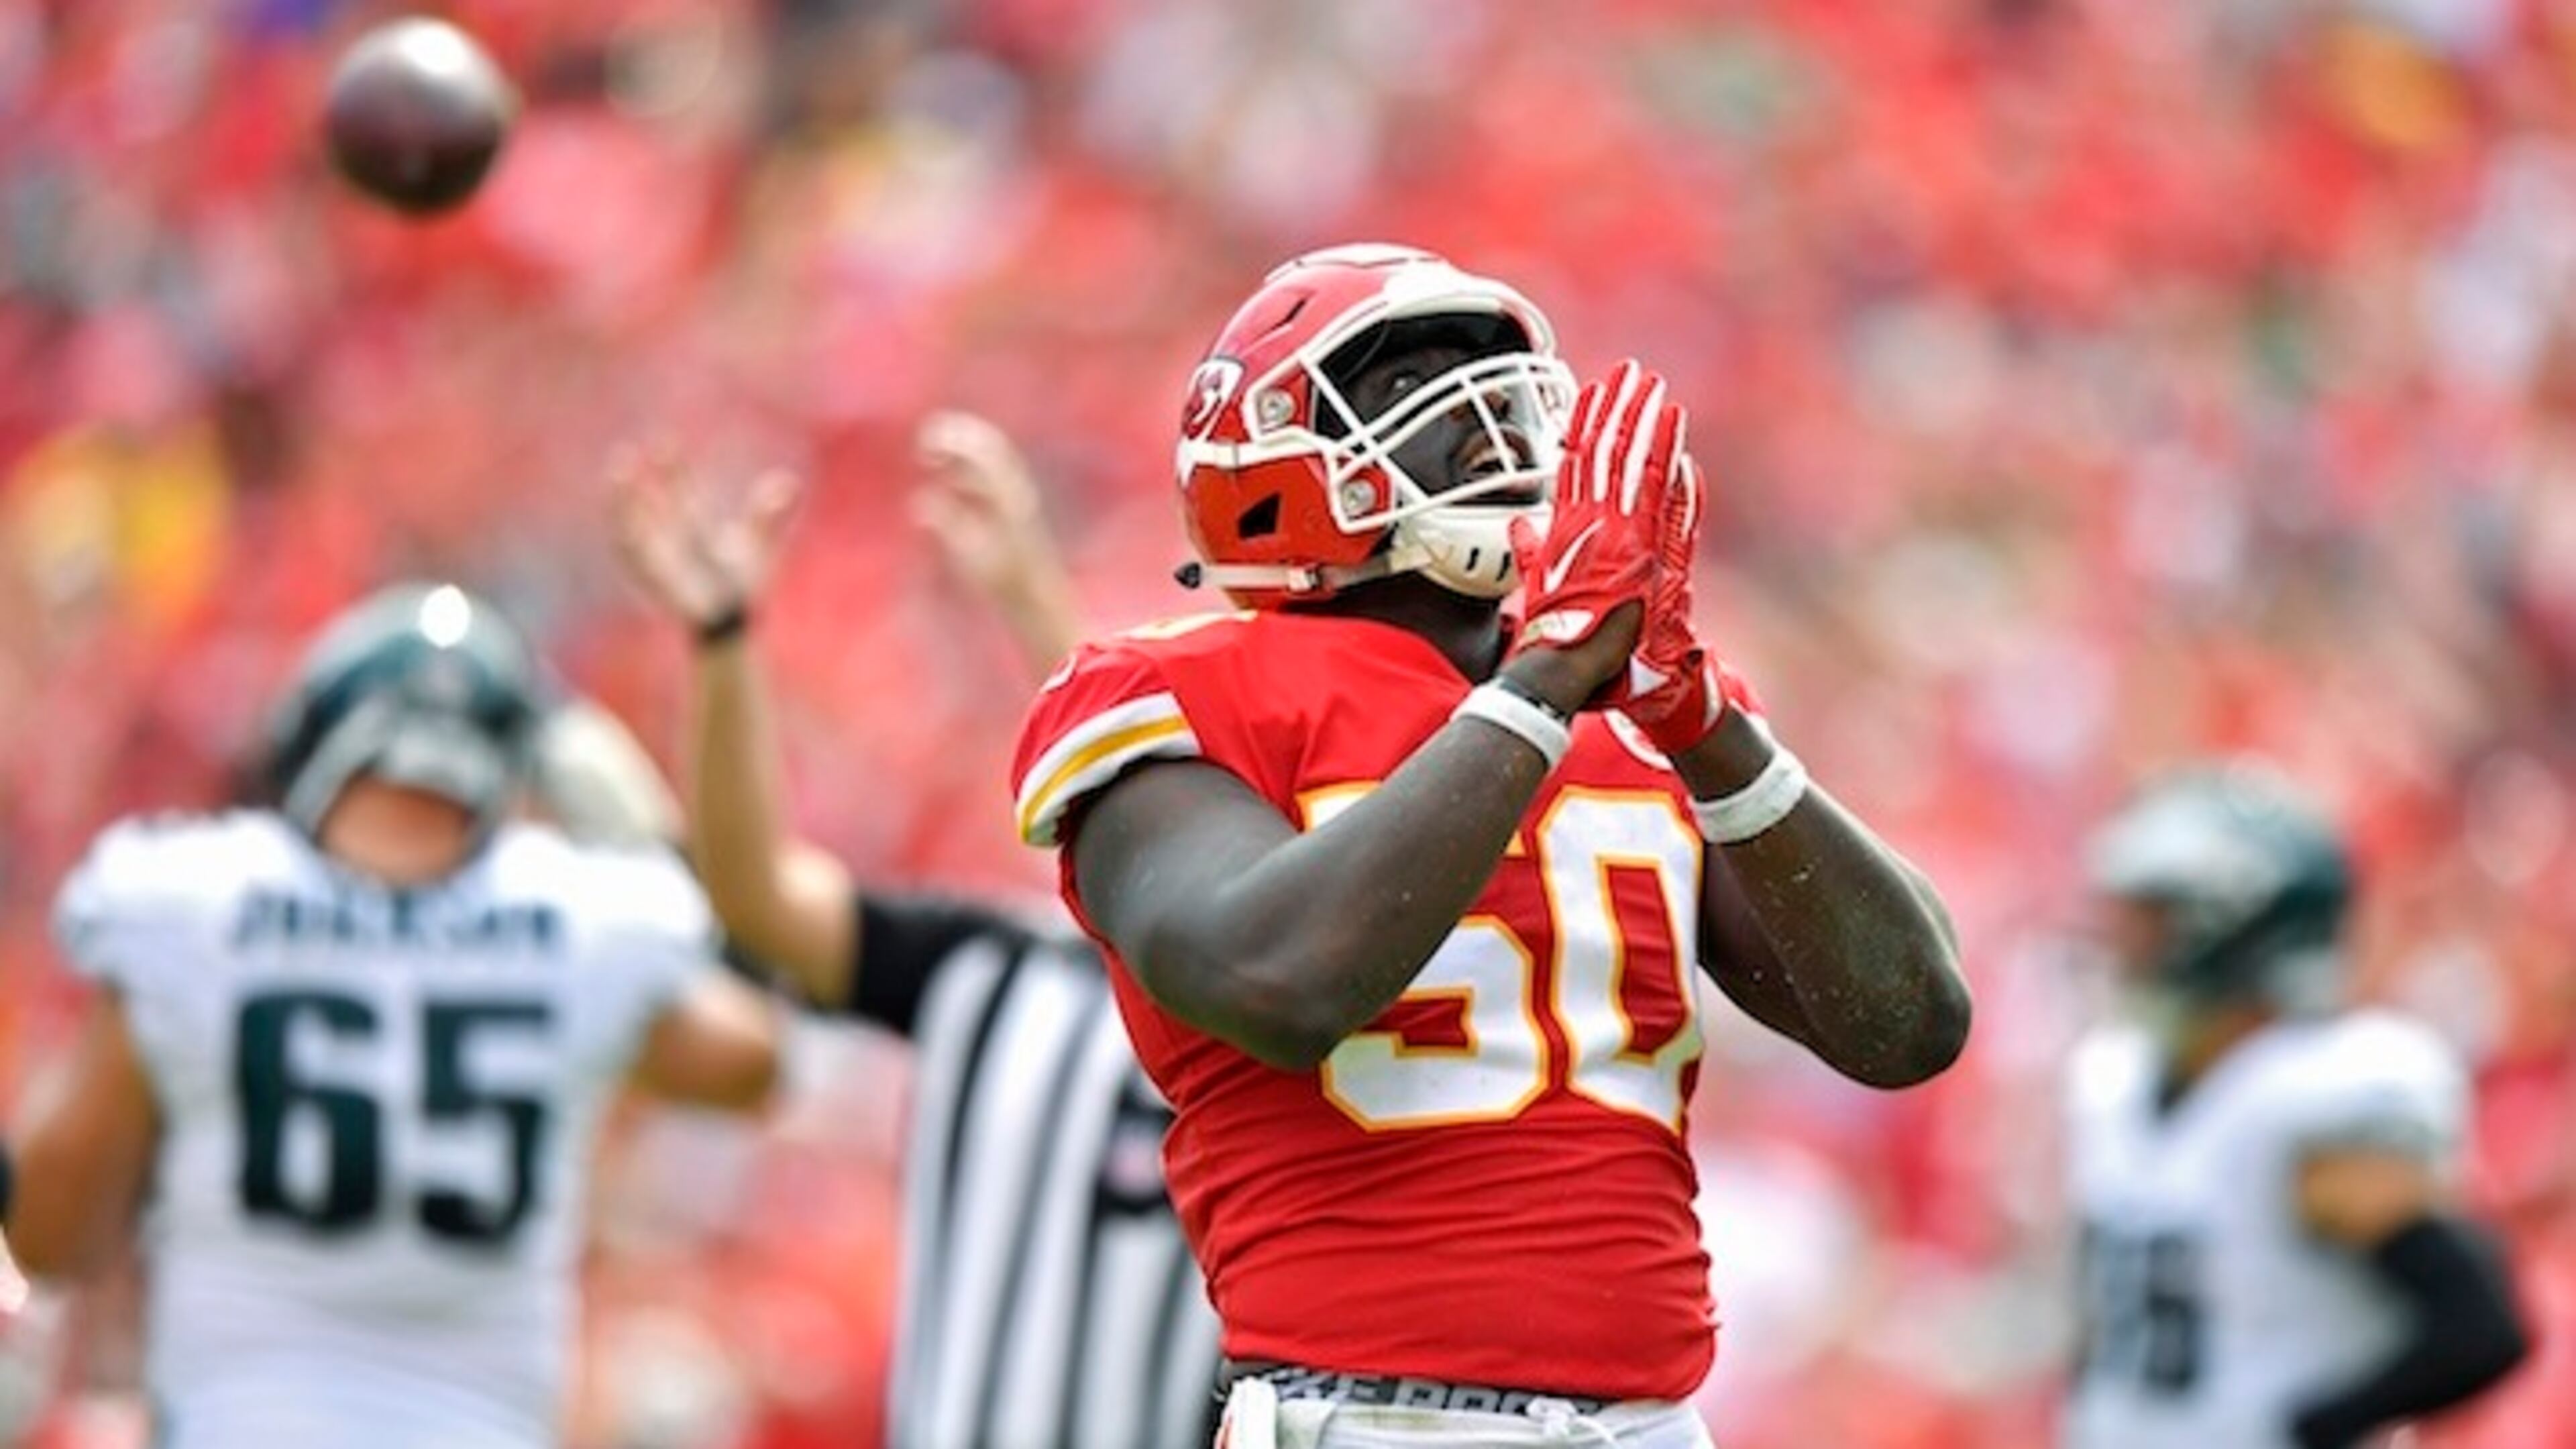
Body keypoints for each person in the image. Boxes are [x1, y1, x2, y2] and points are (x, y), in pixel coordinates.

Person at [1010, 241, 1972, 1448]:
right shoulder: (1176, 690)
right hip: (1366, 1421)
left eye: (1497, 383)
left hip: (1658, 1425)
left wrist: (1703, 722)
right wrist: (1542, 682)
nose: (1488, 425)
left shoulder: (1631, 706)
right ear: (1274, 457)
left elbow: (1908, 1024)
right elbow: (1277, 980)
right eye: (1413, 377)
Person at [0, 582, 783, 1449]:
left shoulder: (194, 903)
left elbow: (50, 1235)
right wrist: (635, 824)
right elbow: (758, 1055)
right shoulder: (584, 921)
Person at [610, 411, 1224, 1449]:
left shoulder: (1294, 995)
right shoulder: (982, 969)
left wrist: (1034, 603)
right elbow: (753, 891)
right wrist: (722, 649)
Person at [2063, 761, 2531, 1449]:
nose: (2126, 943)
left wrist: (2313, 1427)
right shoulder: (2118, 1081)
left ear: (2232, 924)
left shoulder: (2312, 1095)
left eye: (2155, 918)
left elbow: (2479, 1327)